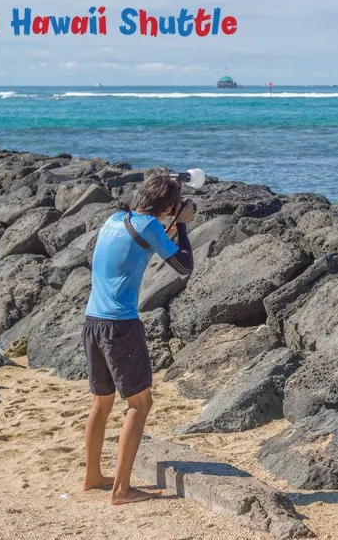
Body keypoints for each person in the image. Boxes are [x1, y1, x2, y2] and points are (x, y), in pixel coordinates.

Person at [81, 175, 195, 505]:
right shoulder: (151, 227)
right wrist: (183, 224)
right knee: (140, 404)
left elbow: (147, 240)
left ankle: (92, 477)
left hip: (93, 321)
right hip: (120, 326)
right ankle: (121, 490)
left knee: (101, 403)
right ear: (169, 207)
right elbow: (184, 266)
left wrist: (171, 219)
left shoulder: (116, 219)